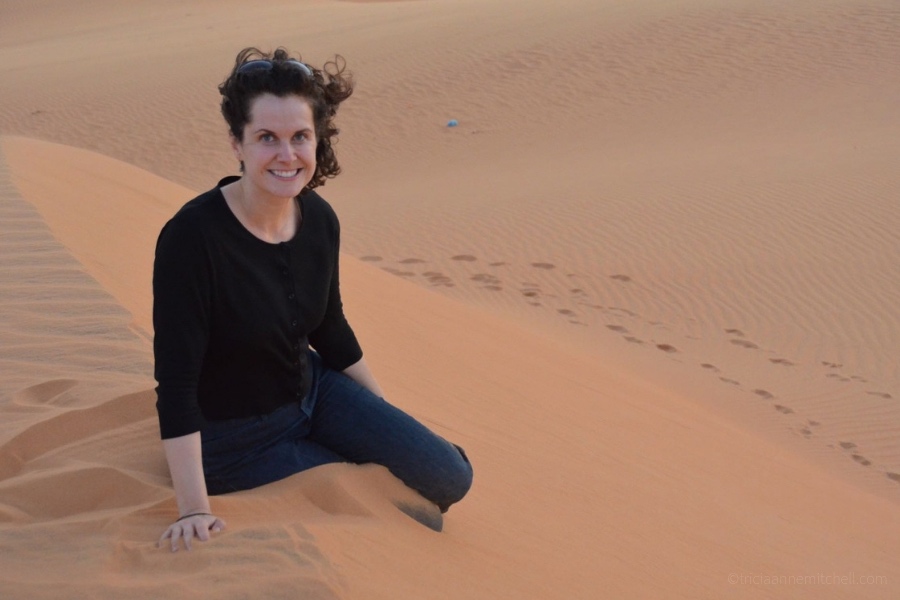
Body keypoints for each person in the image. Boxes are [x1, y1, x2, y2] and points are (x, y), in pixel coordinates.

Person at [153, 47, 473, 552]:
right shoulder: (192, 239)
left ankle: (330, 449)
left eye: (300, 137)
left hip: (314, 392)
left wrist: (385, 420)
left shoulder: (318, 217)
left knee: (449, 477)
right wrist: (193, 508)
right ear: (237, 142)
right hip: (236, 441)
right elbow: (176, 380)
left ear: (317, 139)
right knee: (400, 513)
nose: (287, 155)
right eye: (266, 138)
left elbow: (331, 327)